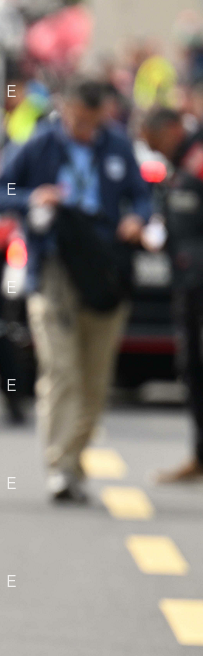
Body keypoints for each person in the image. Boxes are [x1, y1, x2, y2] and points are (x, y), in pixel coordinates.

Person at [0, 77, 152, 502]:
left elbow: (142, 196)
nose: (85, 129)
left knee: (95, 378)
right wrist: (31, 199)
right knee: (61, 371)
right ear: (65, 110)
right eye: (78, 120)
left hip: (104, 267)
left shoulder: (117, 146)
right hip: (55, 267)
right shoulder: (39, 144)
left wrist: (138, 218)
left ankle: (74, 461)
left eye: (93, 122)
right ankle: (59, 466)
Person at [143, 108, 203, 482]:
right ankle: (199, 457)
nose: (155, 151)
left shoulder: (197, 162)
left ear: (172, 129)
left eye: (156, 142)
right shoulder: (177, 167)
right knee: (193, 371)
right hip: (187, 285)